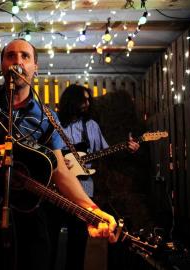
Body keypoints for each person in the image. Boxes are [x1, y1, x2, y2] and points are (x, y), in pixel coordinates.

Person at [0, 39, 117, 270]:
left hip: (28, 209)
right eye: (10, 56)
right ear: (2, 65)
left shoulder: (47, 117)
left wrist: (92, 210)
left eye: (25, 56)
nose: (17, 61)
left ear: (35, 67)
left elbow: (59, 170)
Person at [54, 84, 140, 270]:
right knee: (51, 238)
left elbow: (107, 151)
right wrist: (58, 161)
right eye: (82, 100)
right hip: (56, 188)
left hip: (84, 190)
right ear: (71, 101)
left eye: (88, 100)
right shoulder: (55, 124)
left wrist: (127, 148)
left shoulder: (91, 126)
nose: (87, 103)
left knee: (78, 240)